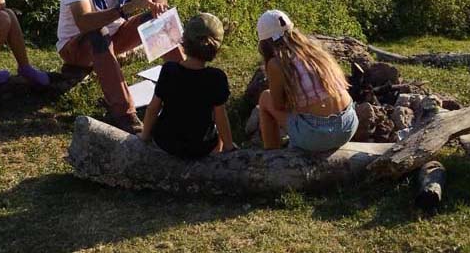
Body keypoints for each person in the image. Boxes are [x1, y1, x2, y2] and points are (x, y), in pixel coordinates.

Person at [56, 0, 170, 134]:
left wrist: (158, 4)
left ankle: (188, 77)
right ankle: (125, 114)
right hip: (77, 47)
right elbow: (84, 22)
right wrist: (123, 10)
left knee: (158, 19)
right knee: (99, 33)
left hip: (114, 37)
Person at [257, 9, 358, 151]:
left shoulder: (276, 63)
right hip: (348, 123)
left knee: (265, 98)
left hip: (319, 135)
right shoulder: (313, 48)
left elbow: (278, 105)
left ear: (264, 43)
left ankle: (272, 155)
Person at [140, 13, 235, 157]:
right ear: (215, 48)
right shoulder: (216, 78)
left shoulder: (169, 70)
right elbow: (220, 117)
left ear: (184, 40)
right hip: (200, 148)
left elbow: (153, 108)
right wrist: (229, 147)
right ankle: (218, 152)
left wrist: (144, 136)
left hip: (166, 142)